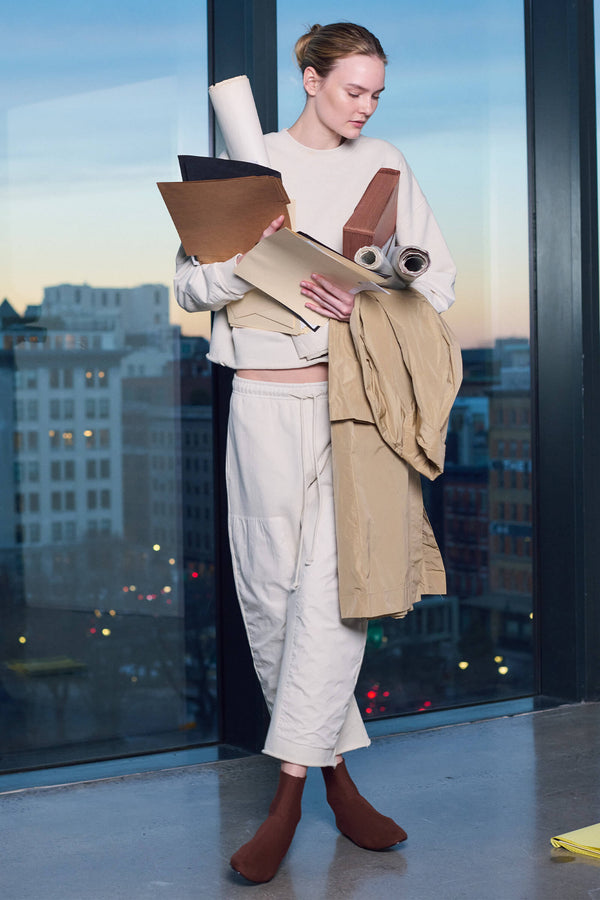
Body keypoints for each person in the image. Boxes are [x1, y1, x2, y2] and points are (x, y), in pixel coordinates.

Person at [175, 22, 456, 884]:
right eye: (351, 91)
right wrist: (255, 259)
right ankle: (336, 777)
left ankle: (286, 798)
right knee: (268, 594)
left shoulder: (388, 163)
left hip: (356, 410)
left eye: (375, 93)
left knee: (339, 597)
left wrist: (374, 286)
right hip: (261, 405)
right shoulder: (247, 162)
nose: (365, 107)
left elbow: (438, 282)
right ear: (308, 77)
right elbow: (188, 286)